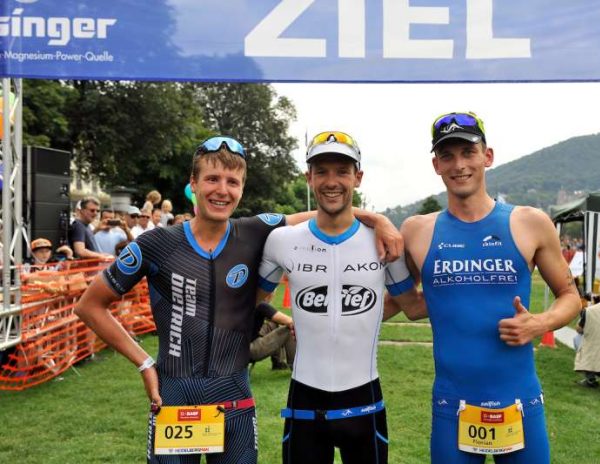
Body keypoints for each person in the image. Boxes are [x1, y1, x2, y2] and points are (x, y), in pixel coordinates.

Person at [74, 135, 402, 464]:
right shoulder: (157, 243)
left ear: (242, 188)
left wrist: (380, 220)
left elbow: (328, 210)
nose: (222, 190)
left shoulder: (255, 231)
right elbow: (89, 305)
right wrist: (144, 364)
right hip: (174, 400)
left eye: (233, 182)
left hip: (235, 405)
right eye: (212, 179)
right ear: (193, 183)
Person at [395, 112, 582, 464]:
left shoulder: (530, 222)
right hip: (453, 406)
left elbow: (571, 296)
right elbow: (409, 303)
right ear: (436, 165)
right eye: (447, 156)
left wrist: (540, 323)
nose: (459, 165)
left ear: (488, 156)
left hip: (519, 402)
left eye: (468, 153)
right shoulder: (416, 231)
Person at [257, 131, 424, 464]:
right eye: (321, 171)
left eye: (342, 171)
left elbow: (413, 307)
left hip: (364, 402)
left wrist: (482, 296)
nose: (331, 181)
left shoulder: (383, 242)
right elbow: (250, 302)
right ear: (308, 178)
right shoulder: (282, 241)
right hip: (304, 402)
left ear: (357, 177)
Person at [249, 301, 296, 370]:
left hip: (234, 349)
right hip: (248, 351)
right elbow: (291, 322)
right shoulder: (261, 305)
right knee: (289, 329)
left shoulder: (243, 301)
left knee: (273, 324)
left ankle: (279, 364)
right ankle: (296, 368)